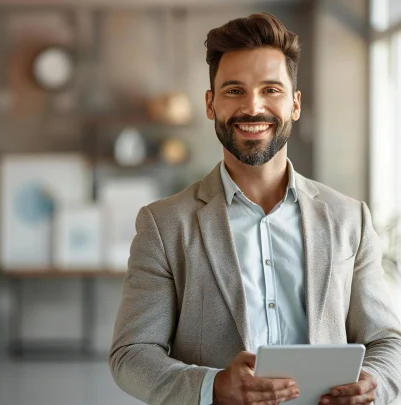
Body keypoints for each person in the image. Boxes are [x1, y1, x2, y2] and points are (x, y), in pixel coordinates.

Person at [109, 12, 401, 405]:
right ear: (211, 104)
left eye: (271, 90)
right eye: (234, 90)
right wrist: (213, 387)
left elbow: (387, 342)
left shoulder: (350, 219)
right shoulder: (164, 225)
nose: (253, 107)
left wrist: (375, 384)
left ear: (295, 104)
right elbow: (131, 355)